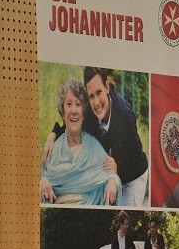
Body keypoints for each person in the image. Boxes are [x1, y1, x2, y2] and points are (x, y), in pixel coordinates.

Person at [43, 67, 149, 206]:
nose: (96, 102)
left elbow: (133, 159)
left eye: (99, 93)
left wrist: (117, 168)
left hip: (132, 174)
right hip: (113, 166)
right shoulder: (91, 111)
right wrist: (53, 135)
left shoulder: (125, 116)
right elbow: (71, 122)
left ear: (106, 87)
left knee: (125, 210)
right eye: (91, 96)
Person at [39, 78, 121, 205]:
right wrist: (42, 182)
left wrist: (113, 180)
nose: (73, 110)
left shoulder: (93, 146)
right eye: (69, 104)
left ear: (83, 114)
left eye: (78, 104)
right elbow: (42, 178)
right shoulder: (53, 150)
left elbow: (111, 175)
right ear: (63, 113)